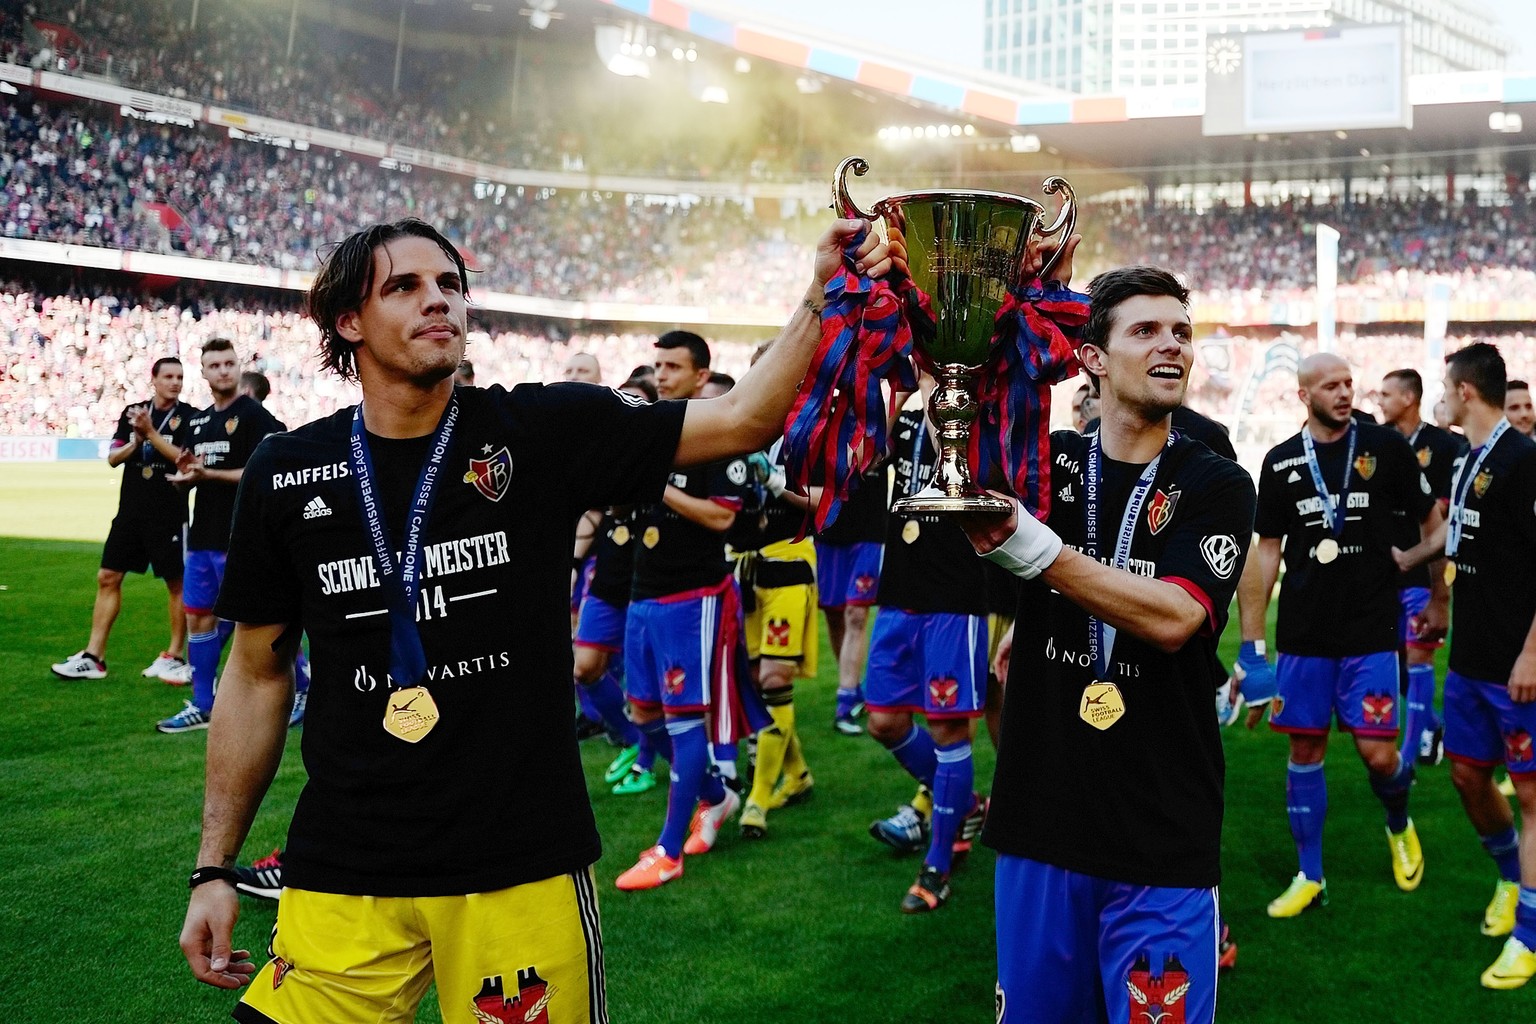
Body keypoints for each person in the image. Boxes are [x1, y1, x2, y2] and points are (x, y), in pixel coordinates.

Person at [177, 216, 891, 1023]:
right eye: (403, 287)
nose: (437, 301)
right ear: (348, 322)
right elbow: (257, 674)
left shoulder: (539, 431)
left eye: (449, 285)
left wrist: (822, 291)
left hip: (516, 863)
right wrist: (214, 868)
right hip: (348, 864)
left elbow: (744, 419)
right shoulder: (287, 471)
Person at [968, 264, 1255, 1024]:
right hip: (1040, 825)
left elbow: (1175, 617)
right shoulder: (1048, 465)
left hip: (1160, 831)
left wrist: (1040, 554)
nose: (1173, 347)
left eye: (1182, 332)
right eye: (1146, 330)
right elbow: (962, 454)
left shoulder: (1216, 483)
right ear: (1091, 357)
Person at [1250, 352, 1445, 917]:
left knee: (1379, 755)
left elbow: (1435, 525)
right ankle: (1309, 875)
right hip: (1305, 636)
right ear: (1303, 395)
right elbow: (1267, 552)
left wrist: (1423, 573)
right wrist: (1256, 643)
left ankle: (1398, 821)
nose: (1343, 393)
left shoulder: (1385, 448)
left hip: (1371, 631)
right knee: (1304, 747)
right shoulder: (1282, 461)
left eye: (1348, 384)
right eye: (1330, 385)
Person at [1396, 343, 1536, 989]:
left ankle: (1529, 938)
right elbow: (1457, 542)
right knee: (1466, 776)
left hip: (1517, 664)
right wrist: (1441, 603)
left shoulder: (1523, 459)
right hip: (1469, 659)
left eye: (1446, 391)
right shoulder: (1466, 460)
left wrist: (1532, 652)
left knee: (1532, 797)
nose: (1441, 401)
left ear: (1466, 392)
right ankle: (1511, 878)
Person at [613, 330, 756, 890]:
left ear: (701, 376)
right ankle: (717, 798)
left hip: (692, 598)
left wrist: (656, 483)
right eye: (658, 365)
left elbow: (722, 518)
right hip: (643, 593)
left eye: (673, 367)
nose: (662, 374)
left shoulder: (718, 436)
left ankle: (668, 849)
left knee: (683, 719)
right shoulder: (653, 429)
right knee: (644, 715)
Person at [862, 393, 993, 914]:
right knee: (884, 721)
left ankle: (938, 864)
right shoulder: (909, 410)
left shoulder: (986, 410)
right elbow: (869, 461)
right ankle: (964, 802)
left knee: (947, 730)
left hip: (954, 594)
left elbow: (960, 473)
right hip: (900, 588)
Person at [155, 339, 286, 733]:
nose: (224, 370)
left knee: (262, 618)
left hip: (241, 537)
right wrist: (184, 479)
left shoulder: (255, 416)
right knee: (199, 619)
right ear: (205, 372)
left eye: (229, 363)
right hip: (203, 538)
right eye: (215, 365)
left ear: (237, 366)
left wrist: (206, 475)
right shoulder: (199, 422)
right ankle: (202, 703)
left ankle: (300, 689)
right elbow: (195, 473)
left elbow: (259, 472)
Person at [51, 357, 195, 683]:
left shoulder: (190, 417)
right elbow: (113, 458)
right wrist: (137, 441)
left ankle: (174, 656)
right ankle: (94, 656)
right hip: (130, 513)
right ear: (154, 379)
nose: (175, 382)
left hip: (169, 514)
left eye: (180, 377)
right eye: (169, 376)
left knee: (176, 583)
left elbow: (186, 461)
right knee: (107, 576)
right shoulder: (133, 411)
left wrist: (152, 434)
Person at [1378, 368, 1465, 765]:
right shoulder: (1378, 443)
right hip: (1385, 566)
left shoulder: (1441, 445)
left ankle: (1411, 754)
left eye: (1386, 394)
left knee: (1418, 656)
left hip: (1424, 564)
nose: (1379, 401)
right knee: (1395, 658)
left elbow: (1446, 508)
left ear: (1408, 398)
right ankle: (1432, 723)